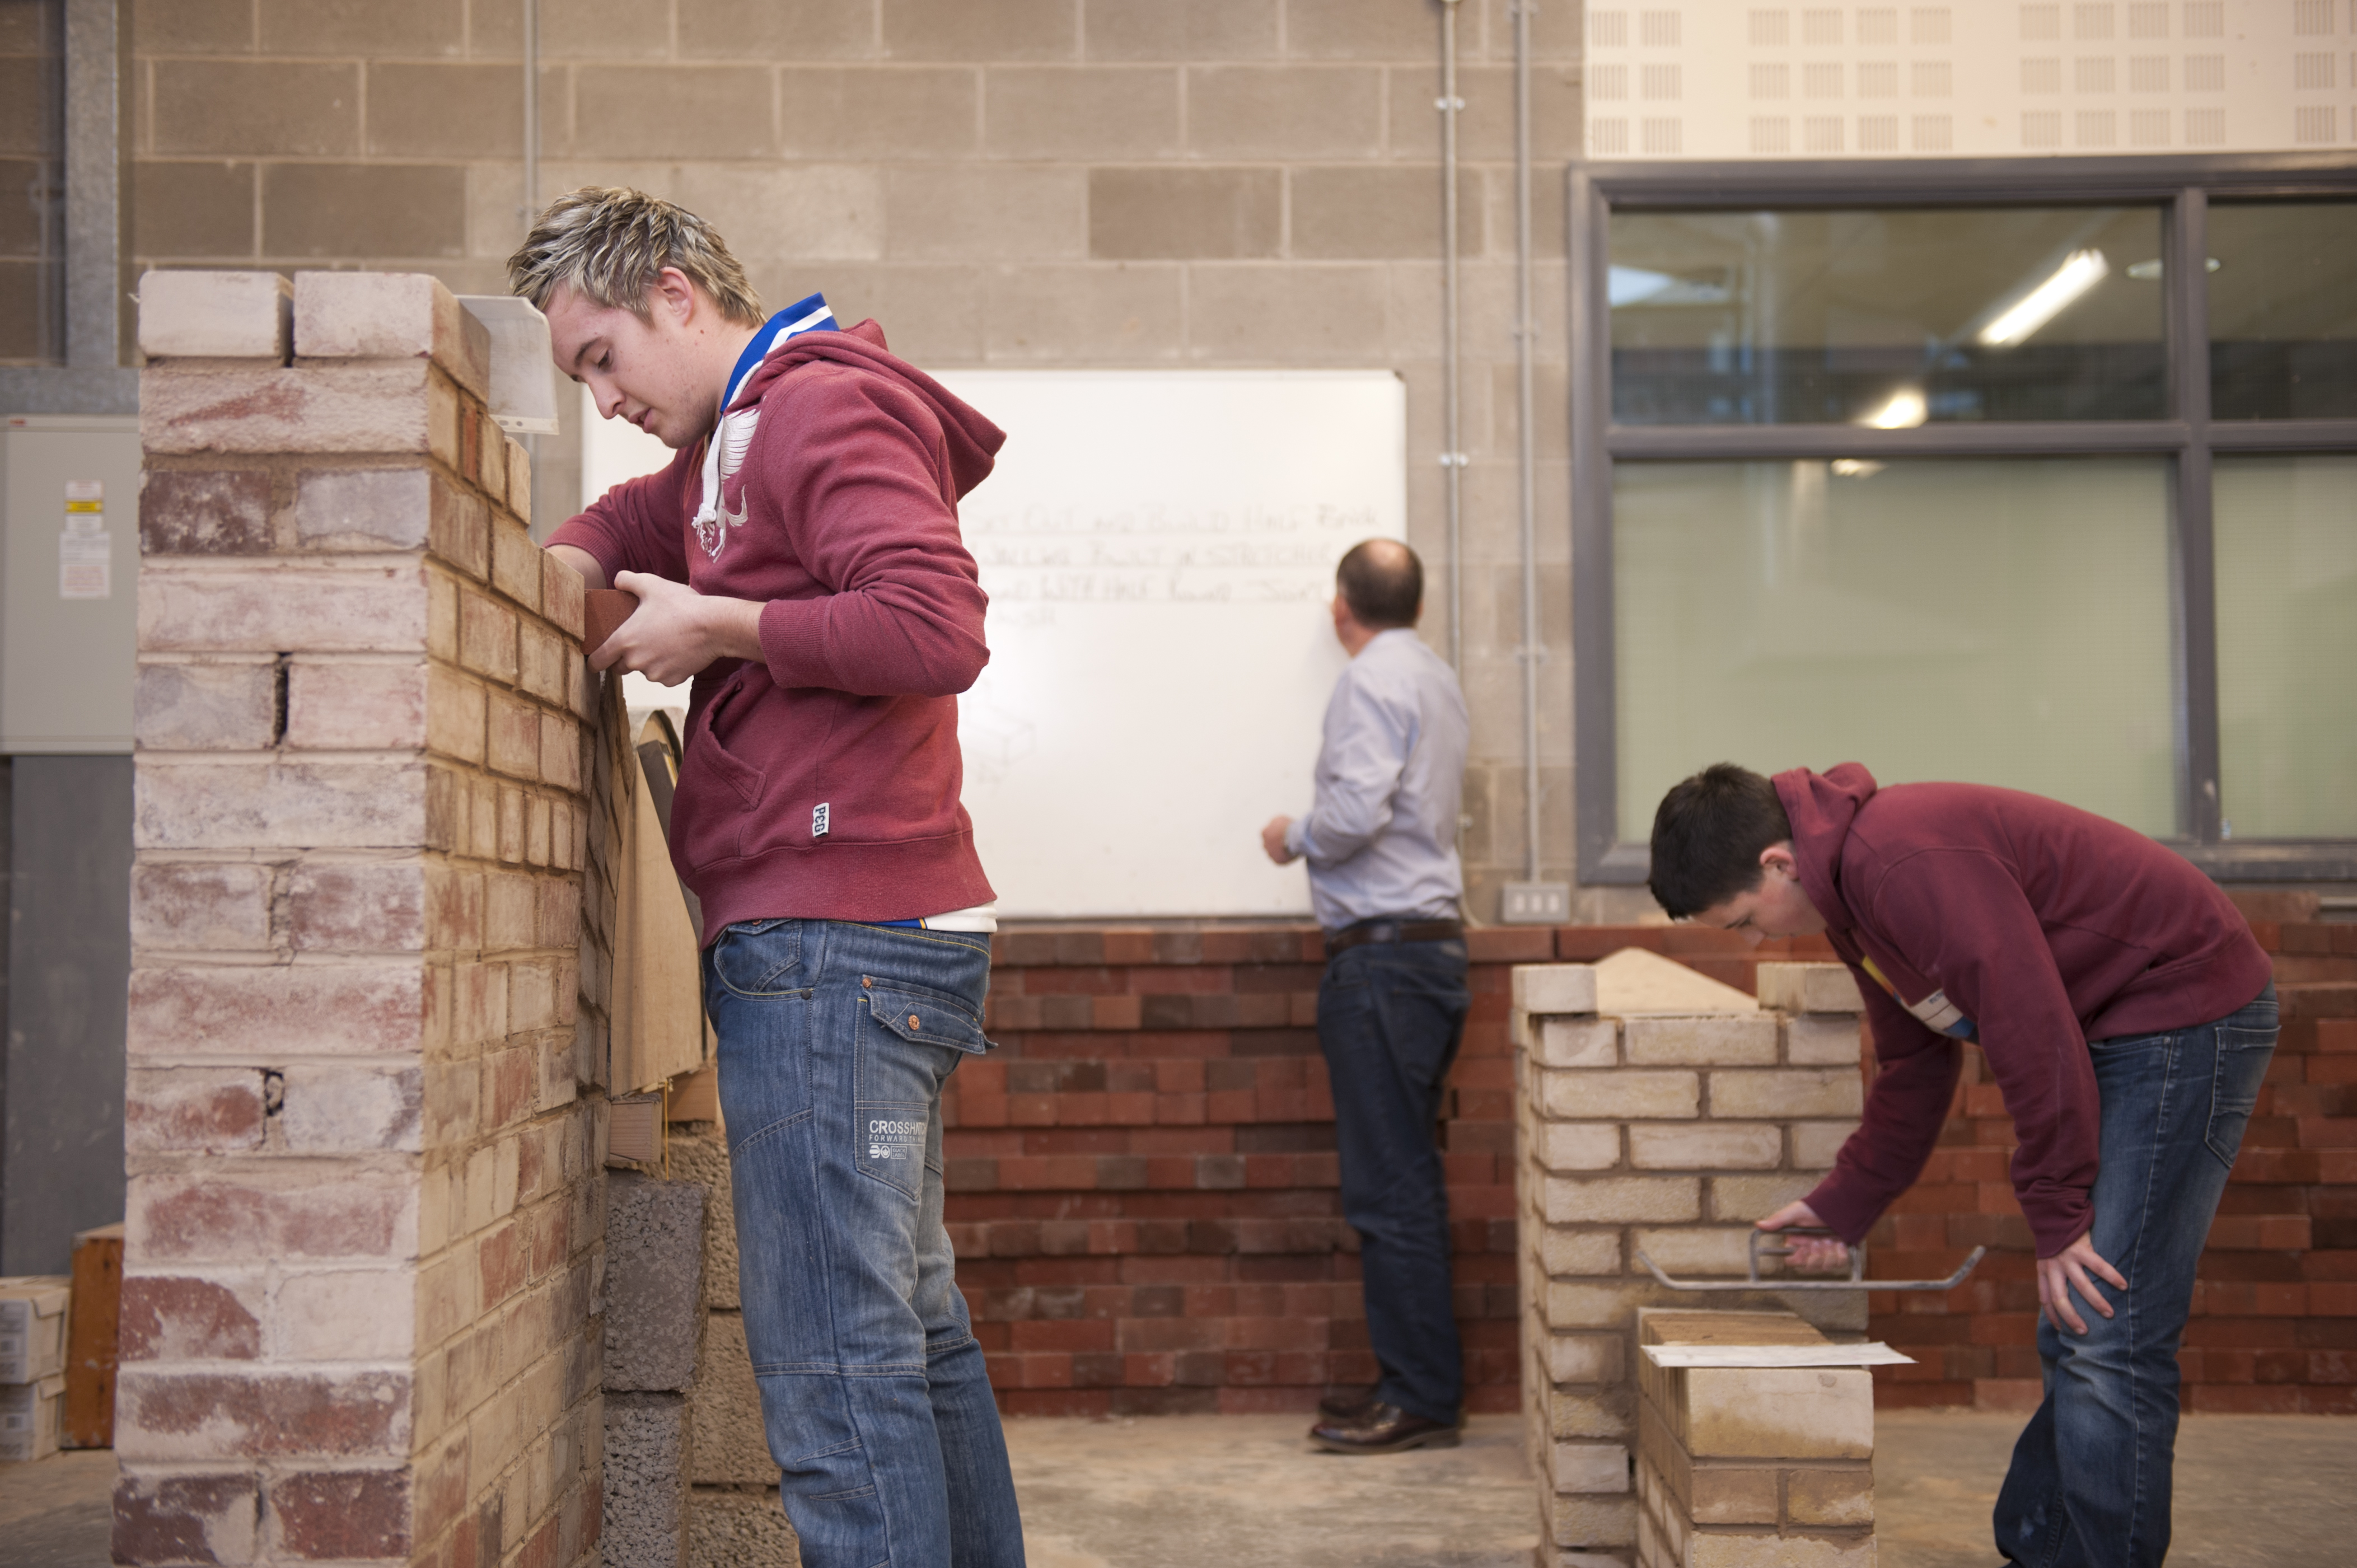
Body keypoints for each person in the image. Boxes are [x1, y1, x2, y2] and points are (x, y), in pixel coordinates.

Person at [510, 188, 1024, 1568]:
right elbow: (628, 515)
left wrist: (717, 629)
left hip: (832, 950)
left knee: (835, 1370)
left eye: (602, 357)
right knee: (907, 1335)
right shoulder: (725, 444)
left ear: (676, 294)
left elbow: (936, 627)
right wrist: (558, 567)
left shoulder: (812, 409)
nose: (603, 397)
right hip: (864, 947)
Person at [1648, 762, 2276, 1568]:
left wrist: (2056, 1208)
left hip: (2183, 1012)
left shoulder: (1900, 863)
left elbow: (2027, 1024)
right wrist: (1845, 1203)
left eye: (1742, 921)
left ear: (1777, 863)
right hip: (2114, 1024)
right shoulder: (1849, 906)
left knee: (2108, 1330)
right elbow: (1916, 1062)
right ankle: (2047, 1552)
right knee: (2079, 1323)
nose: (1753, 941)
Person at [1259, 539, 1472, 1455]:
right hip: (1424, 958)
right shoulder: (1435, 677)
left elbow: (1354, 814)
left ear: (1340, 606)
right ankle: (1415, 1383)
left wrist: (1290, 834)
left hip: (1382, 964)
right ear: (1415, 604)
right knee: (1404, 1179)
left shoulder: (1368, 680)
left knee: (1389, 1187)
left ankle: (1418, 1394)